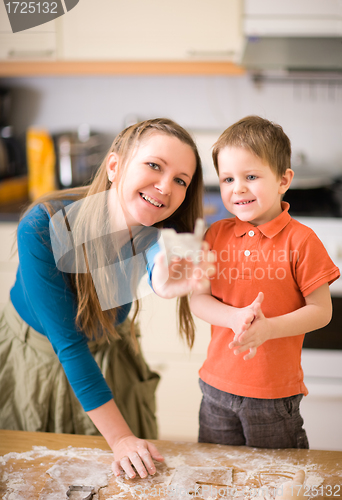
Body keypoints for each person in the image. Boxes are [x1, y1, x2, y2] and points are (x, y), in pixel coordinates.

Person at [0, 118, 215, 479]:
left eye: (180, 180)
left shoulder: (155, 234)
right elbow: (68, 345)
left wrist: (162, 283)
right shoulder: (42, 226)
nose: (165, 187)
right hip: (36, 360)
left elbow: (157, 267)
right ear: (114, 166)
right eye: (154, 166)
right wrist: (120, 438)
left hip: (110, 354)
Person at [190, 115, 340, 449]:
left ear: (283, 180)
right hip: (215, 388)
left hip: (273, 396)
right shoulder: (215, 234)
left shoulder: (301, 240)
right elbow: (197, 299)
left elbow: (321, 311)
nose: (237, 187)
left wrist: (268, 328)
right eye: (227, 178)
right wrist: (232, 317)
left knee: (277, 481)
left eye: (251, 176)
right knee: (216, 475)